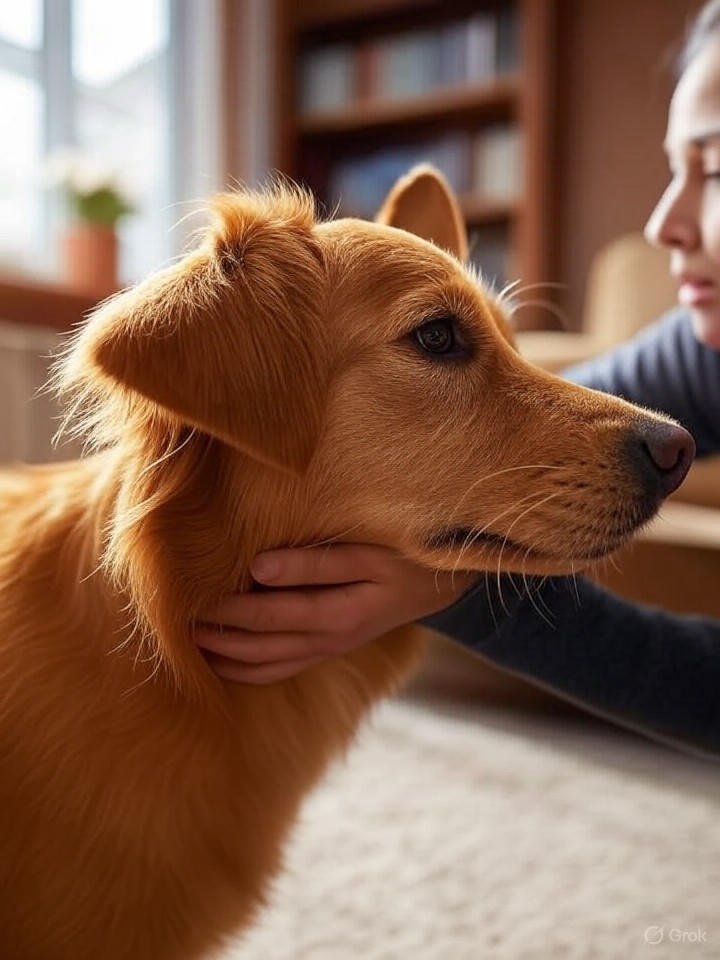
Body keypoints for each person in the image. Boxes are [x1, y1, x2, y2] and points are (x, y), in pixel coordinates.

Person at [195, 1, 720, 759]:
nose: (664, 223)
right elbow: (551, 435)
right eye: (675, 168)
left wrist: (462, 592)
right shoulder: (704, 353)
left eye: (717, 166)